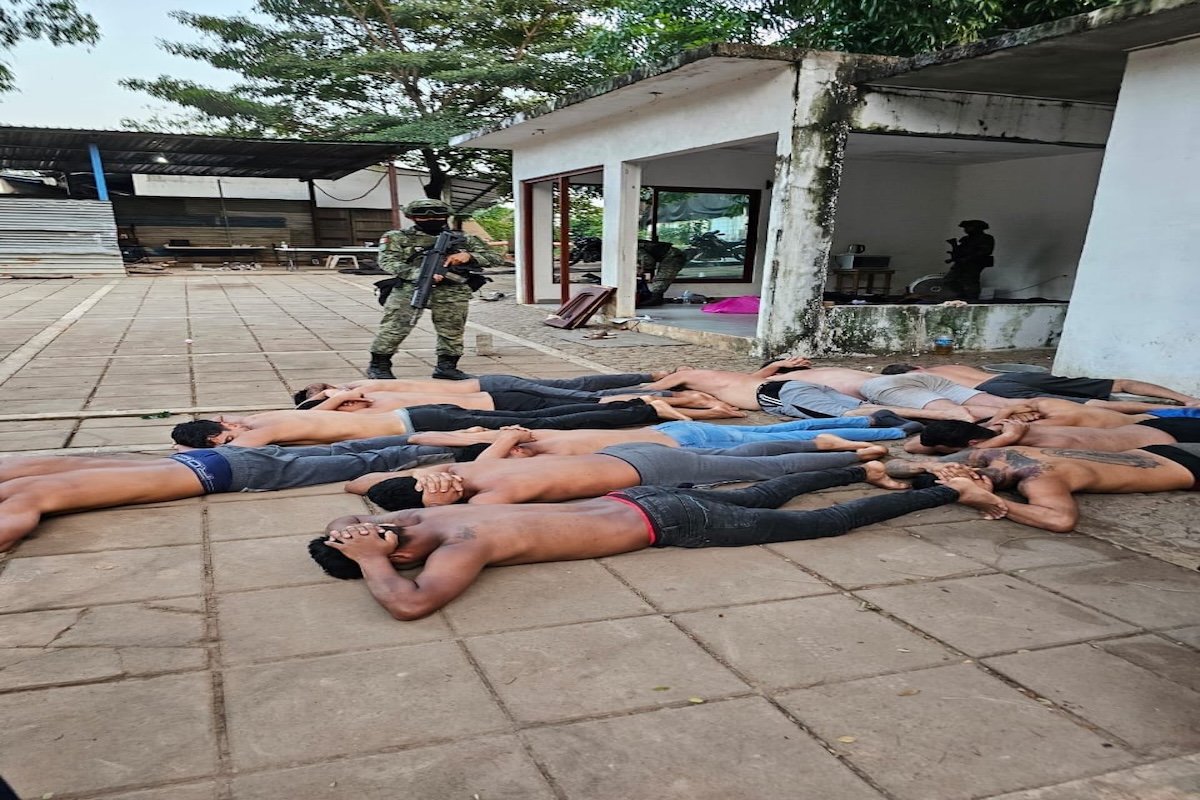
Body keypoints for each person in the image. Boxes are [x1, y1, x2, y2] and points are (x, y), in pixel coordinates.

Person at [305, 467, 998, 619]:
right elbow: (410, 606)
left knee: (764, 492)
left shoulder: (413, 525)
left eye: (358, 529)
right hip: (667, 523)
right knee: (814, 522)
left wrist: (354, 535)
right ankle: (942, 491)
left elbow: (351, 514)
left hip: (635, 501)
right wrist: (369, 561)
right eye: (364, 540)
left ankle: (867, 468)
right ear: (391, 561)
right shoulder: (450, 547)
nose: (361, 530)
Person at [0, 437, 456, 551]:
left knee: (363, 463)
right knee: (351, 450)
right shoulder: (23, 477)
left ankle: (472, 445)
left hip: (229, 474)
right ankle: (454, 439)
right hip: (213, 459)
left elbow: (11, 527)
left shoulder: (25, 498)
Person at [350, 432, 892, 510]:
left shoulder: (483, 502)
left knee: (736, 466)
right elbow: (357, 482)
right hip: (632, 454)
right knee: (746, 456)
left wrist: (436, 499)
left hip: (649, 467)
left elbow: (458, 529)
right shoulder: (477, 469)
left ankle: (854, 458)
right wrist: (439, 476)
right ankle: (835, 445)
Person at [886, 444, 1200, 532]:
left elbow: (1060, 520)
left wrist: (987, 500)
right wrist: (929, 466)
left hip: (1185, 466)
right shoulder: (994, 456)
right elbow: (892, 467)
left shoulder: (1038, 476)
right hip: (1159, 453)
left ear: (972, 471)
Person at [170, 397, 692, 449]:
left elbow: (234, 452)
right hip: (414, 416)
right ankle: (635, 409)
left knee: (538, 421)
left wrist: (189, 456)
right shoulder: (278, 415)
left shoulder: (257, 432)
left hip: (417, 421)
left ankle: (638, 410)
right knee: (536, 418)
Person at [367, 198, 505, 382]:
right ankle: (379, 366)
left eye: (438, 216)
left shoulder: (465, 238)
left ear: (446, 217)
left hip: (452, 290)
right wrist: (420, 273)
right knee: (395, 327)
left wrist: (469, 256)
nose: (430, 220)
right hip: (410, 287)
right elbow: (388, 261)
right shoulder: (397, 237)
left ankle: (447, 368)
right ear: (411, 217)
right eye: (422, 217)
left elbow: (495, 258)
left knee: (452, 330)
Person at [403, 411, 917, 457]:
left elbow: (420, 441)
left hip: (682, 441)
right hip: (670, 431)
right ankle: (877, 423)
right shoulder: (523, 440)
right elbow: (420, 439)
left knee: (796, 441)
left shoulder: (525, 451)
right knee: (786, 431)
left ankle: (885, 428)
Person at [641, 362, 1005, 421]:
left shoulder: (684, 376)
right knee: (865, 407)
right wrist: (781, 362)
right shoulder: (712, 375)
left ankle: (943, 414)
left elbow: (650, 390)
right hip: (791, 385)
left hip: (781, 396)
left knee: (853, 416)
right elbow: (756, 375)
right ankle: (981, 414)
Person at [881, 364, 1200, 408]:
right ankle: (1185, 398)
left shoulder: (922, 379)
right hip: (1009, 379)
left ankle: (1166, 411)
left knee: (1090, 408)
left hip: (995, 392)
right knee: (1119, 384)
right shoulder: (953, 367)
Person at [905, 416, 1200, 455]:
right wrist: (1004, 437)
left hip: (1169, 440)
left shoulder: (1035, 445)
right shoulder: (997, 429)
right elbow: (911, 446)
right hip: (1150, 428)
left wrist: (1005, 441)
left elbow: (973, 457)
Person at [943, 219, 994, 301]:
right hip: (962, 262)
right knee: (949, 279)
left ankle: (972, 299)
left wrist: (968, 258)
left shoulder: (986, 238)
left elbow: (984, 251)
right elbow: (960, 251)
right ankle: (961, 295)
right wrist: (954, 247)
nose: (966, 230)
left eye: (969, 227)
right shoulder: (966, 239)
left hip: (975, 263)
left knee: (970, 281)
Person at [636, 240, 690, 307]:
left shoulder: (635, 247)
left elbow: (649, 261)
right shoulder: (635, 244)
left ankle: (655, 299)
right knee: (661, 277)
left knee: (662, 277)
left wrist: (642, 269)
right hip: (669, 255)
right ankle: (656, 298)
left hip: (673, 256)